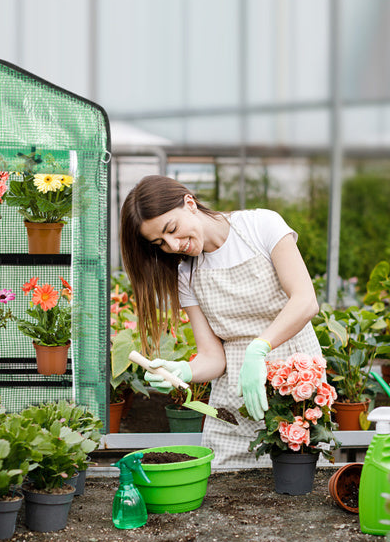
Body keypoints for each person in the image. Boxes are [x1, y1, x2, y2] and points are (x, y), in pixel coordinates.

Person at [119, 175, 322, 468]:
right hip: (235, 400)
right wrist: (184, 371)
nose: (174, 245)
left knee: (298, 485)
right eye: (160, 242)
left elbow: (305, 301)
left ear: (189, 203)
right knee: (226, 488)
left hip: (296, 385)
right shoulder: (186, 274)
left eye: (172, 229)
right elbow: (214, 358)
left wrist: (259, 348)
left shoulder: (261, 226)